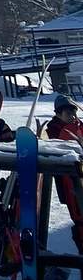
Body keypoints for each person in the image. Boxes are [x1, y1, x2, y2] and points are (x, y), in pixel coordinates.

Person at [46, 95, 83, 253]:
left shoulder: (79, 126)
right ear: (58, 114)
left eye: (74, 112)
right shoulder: (54, 131)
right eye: (68, 113)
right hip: (70, 183)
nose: (72, 116)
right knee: (79, 218)